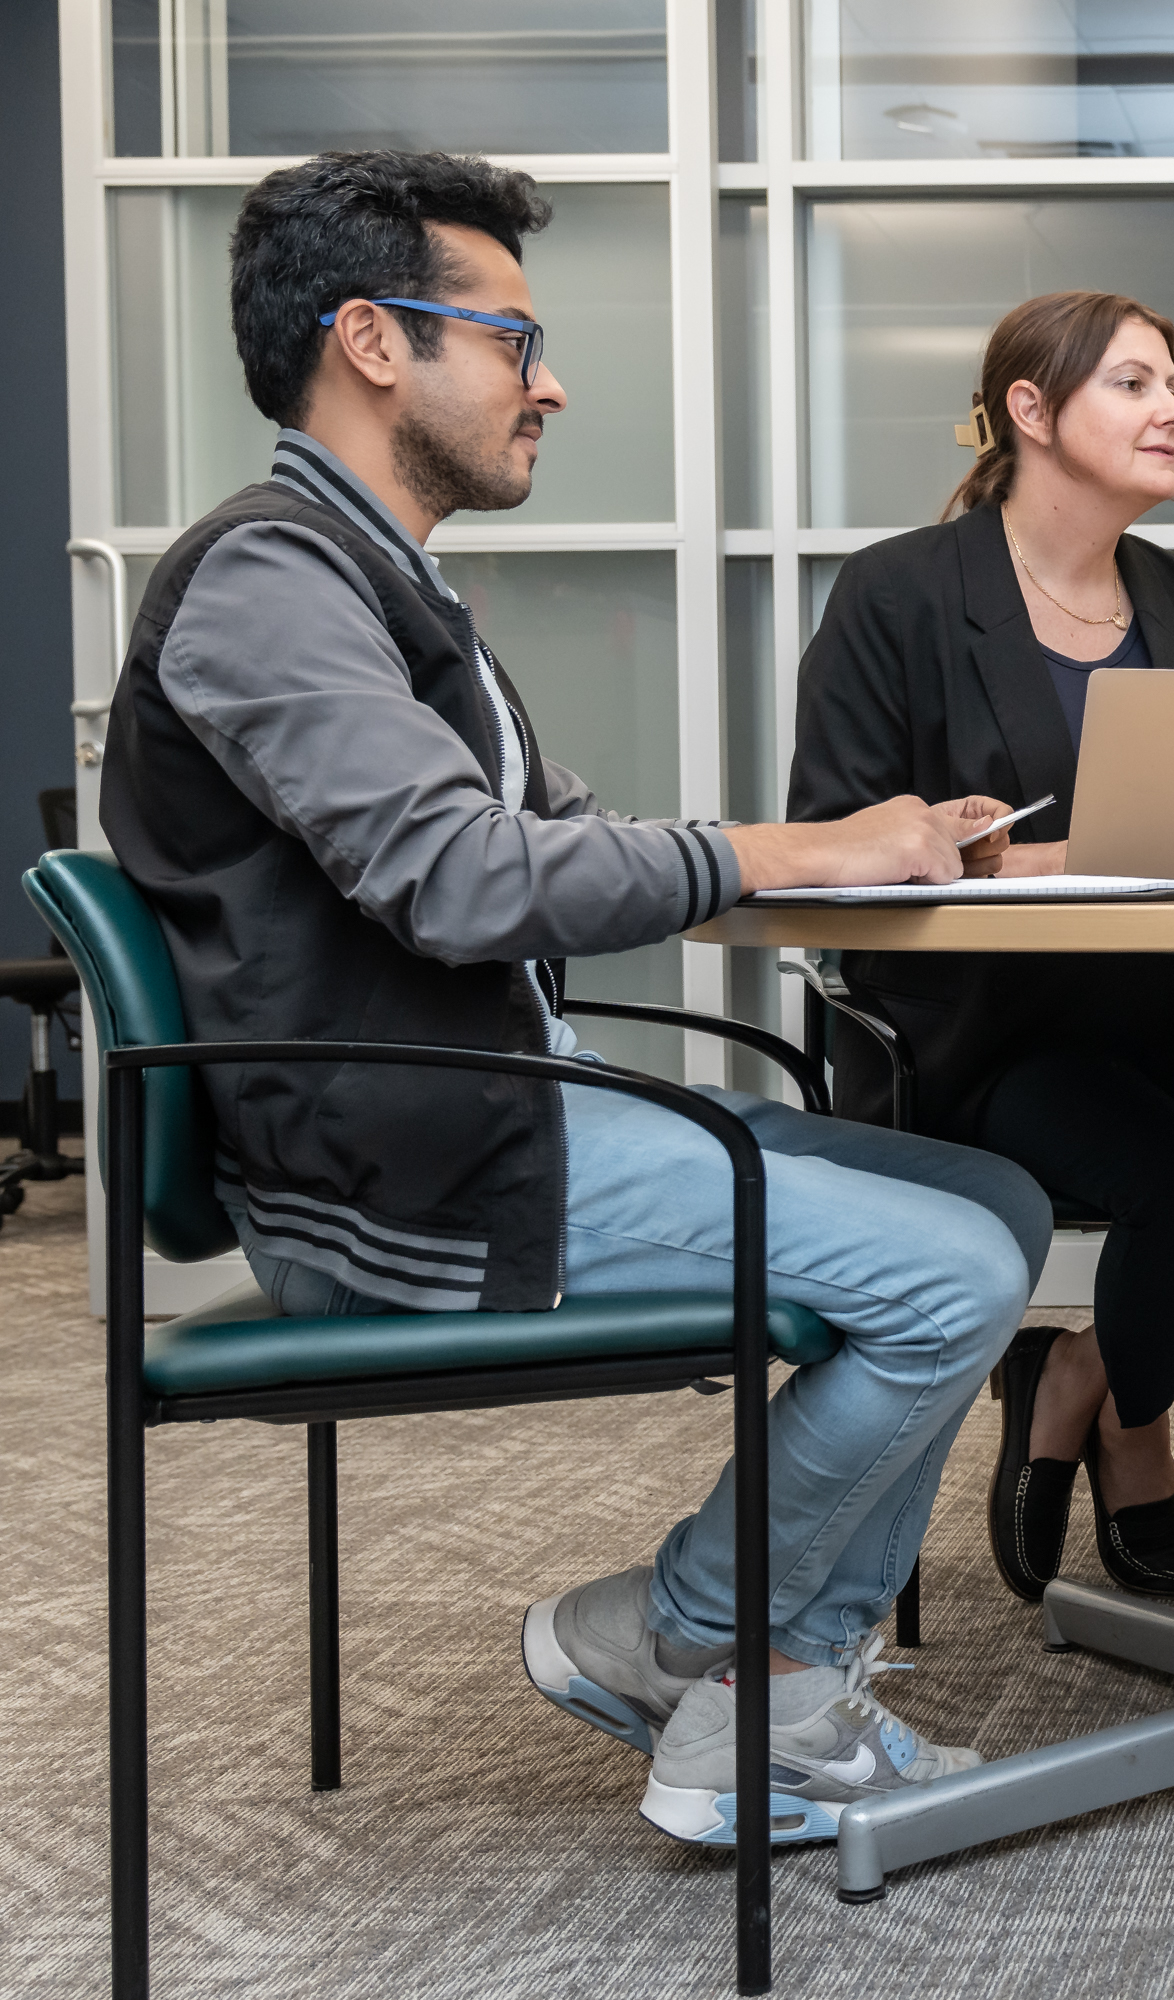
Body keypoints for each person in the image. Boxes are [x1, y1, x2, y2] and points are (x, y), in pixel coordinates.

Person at [95, 151, 1053, 1850]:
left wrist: (862, 854)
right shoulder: (266, 582)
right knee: (957, 1276)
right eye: (510, 337)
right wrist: (796, 846)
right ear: (375, 343)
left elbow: (543, 844)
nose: (549, 379)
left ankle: (767, 1689)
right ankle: (706, 1649)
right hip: (403, 1179)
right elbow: (463, 879)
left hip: (497, 1109)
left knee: (992, 1197)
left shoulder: (388, 587)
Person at [789, 290, 1174, 1607]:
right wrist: (992, 858)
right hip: (988, 1025)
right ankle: (1137, 1440)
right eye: (1136, 383)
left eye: (1173, 381)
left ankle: (1081, 1374)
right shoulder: (901, 592)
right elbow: (827, 841)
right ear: (1031, 411)